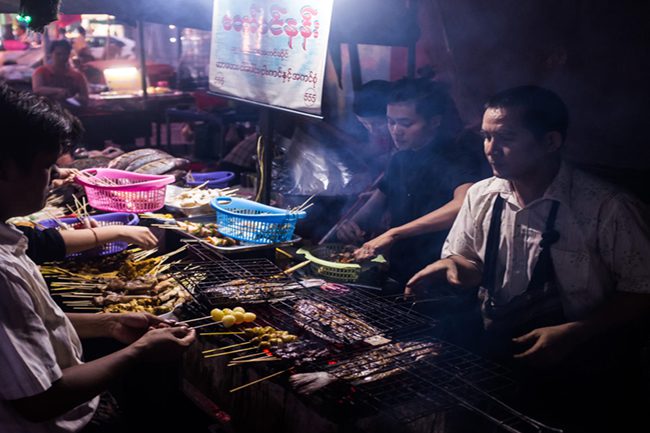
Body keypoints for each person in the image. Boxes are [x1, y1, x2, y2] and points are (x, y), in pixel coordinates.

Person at [406, 85, 650, 432]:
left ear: (551, 142)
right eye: (486, 137)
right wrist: (452, 266)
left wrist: (575, 332)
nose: (491, 150)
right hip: (502, 354)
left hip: (589, 367)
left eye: (506, 138)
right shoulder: (482, 195)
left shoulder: (606, 207)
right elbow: (470, 263)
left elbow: (642, 290)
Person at [0, 83, 196, 432]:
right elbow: (40, 401)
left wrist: (108, 323)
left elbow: (30, 325)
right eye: (47, 166)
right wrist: (139, 353)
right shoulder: (2, 275)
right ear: (4, 169)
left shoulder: (9, 241)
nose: (58, 176)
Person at [337, 78, 483, 286]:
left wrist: (395, 233)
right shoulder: (400, 159)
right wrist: (350, 225)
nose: (395, 130)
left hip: (439, 275)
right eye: (391, 122)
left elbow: (464, 204)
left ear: (434, 121)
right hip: (399, 271)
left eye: (406, 123)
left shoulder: (456, 157)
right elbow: (374, 206)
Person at [32, 39, 89, 107]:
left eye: (65, 54)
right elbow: (37, 89)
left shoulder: (77, 76)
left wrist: (72, 98)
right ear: (51, 54)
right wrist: (58, 91)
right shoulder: (41, 72)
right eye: (58, 54)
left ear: (69, 55)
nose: (62, 57)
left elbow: (85, 99)